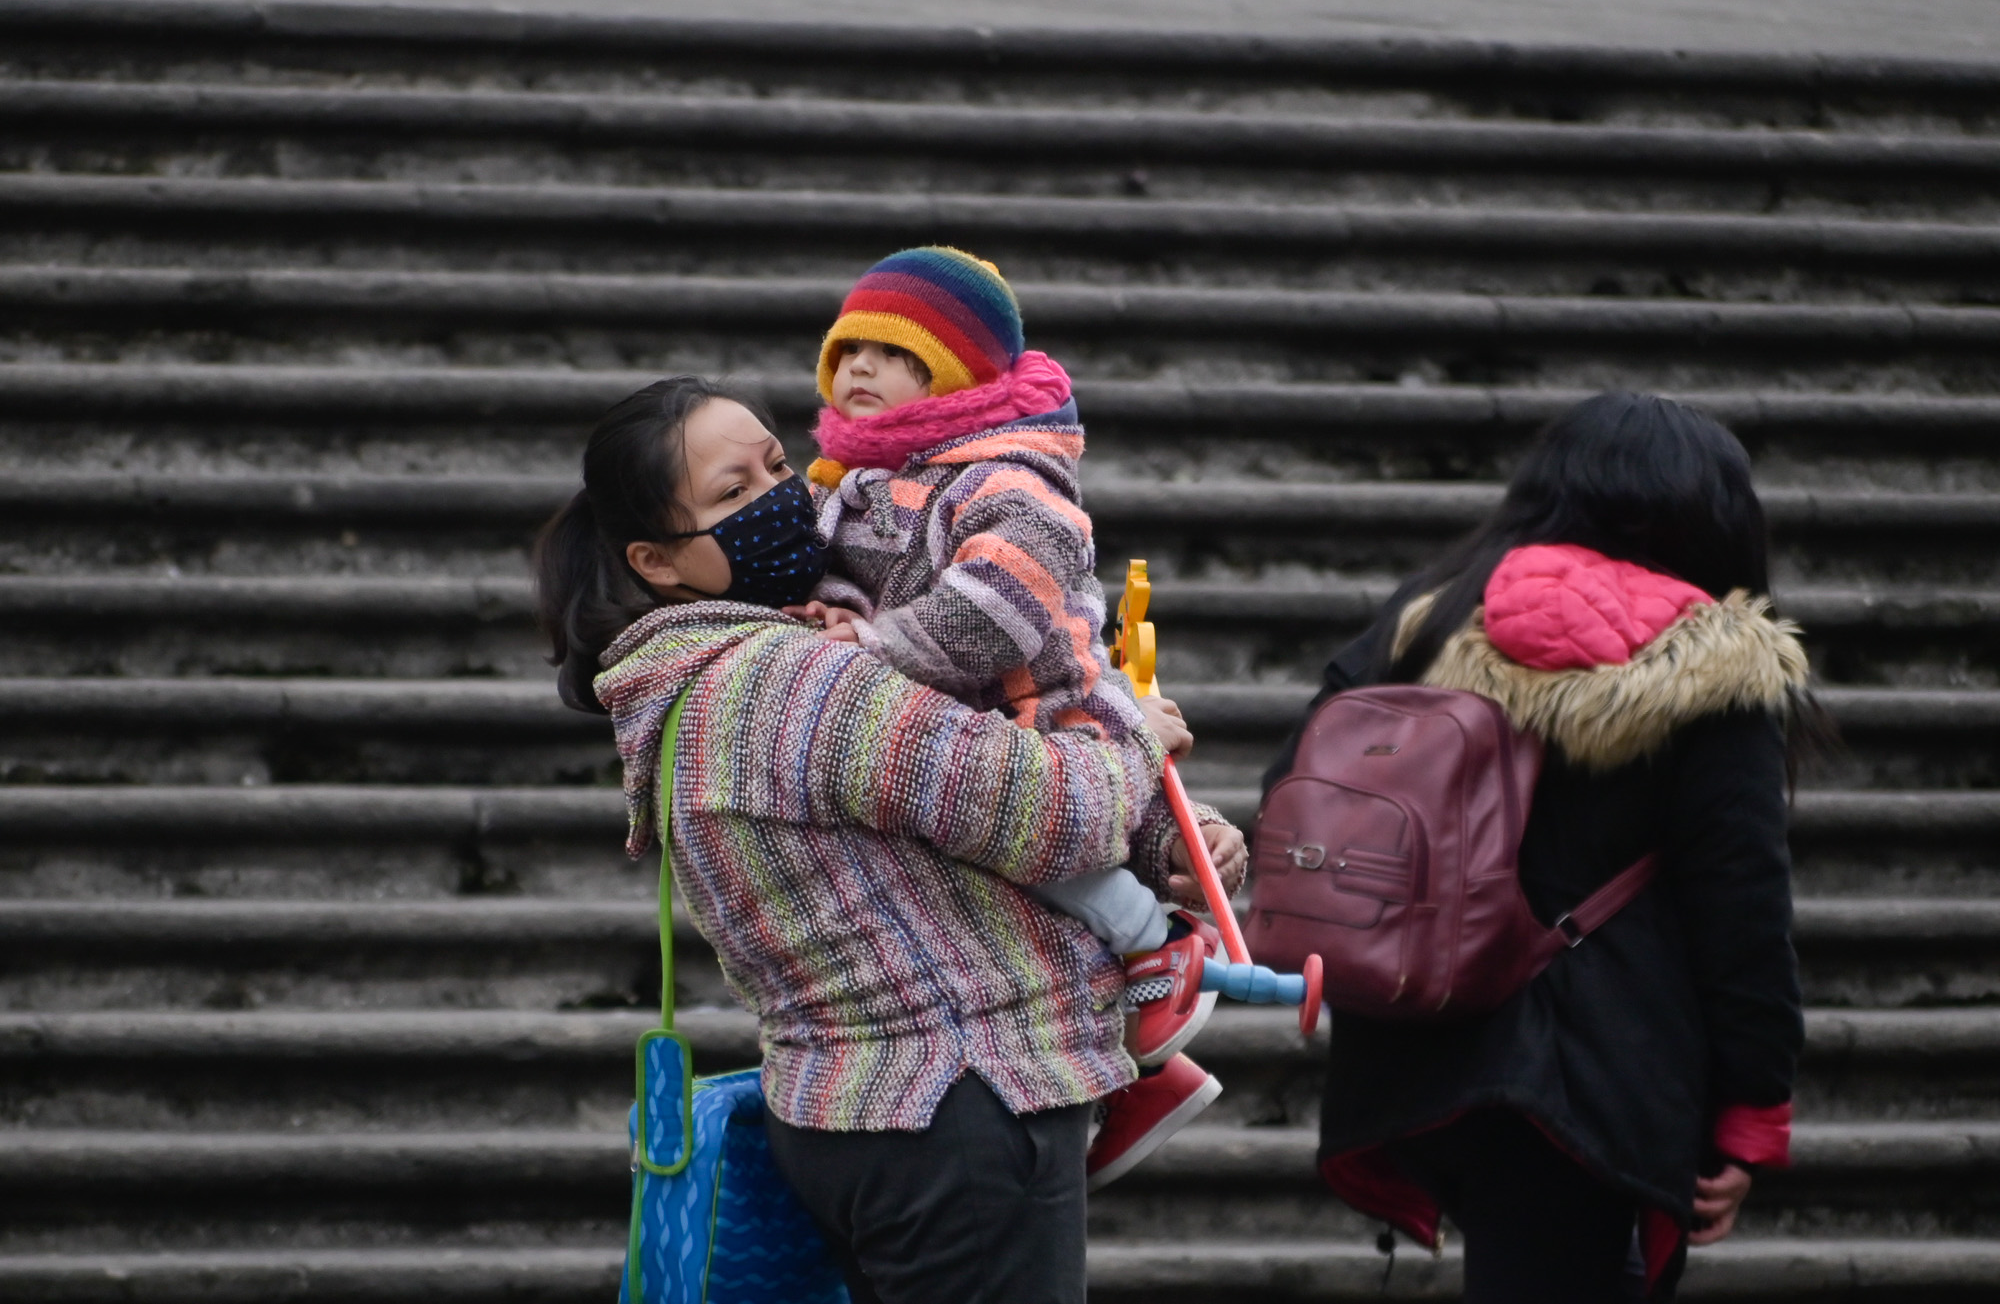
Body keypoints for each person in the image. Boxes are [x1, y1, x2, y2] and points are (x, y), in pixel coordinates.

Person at [533, 376, 1245, 1304]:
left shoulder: (689, 688)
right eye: (732, 494)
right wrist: (1135, 736)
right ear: (656, 561)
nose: (781, 496)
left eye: (778, 464)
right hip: (956, 1103)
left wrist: (1157, 848)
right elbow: (1048, 809)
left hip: (855, 1106)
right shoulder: (786, 683)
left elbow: (959, 828)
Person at [1264, 392, 1811, 1302]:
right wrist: (1754, 1106)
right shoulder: (1715, 662)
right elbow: (1741, 899)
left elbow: (1294, 789)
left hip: (1420, 1049)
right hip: (1596, 1072)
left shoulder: (1429, 620)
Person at [791, 246, 1234, 1186]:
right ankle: (1130, 1080)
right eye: (847, 350)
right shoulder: (842, 480)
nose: (858, 370)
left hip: (1035, 705)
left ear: (954, 366)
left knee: (1043, 845)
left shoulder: (1007, 475)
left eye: (890, 351)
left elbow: (1000, 605)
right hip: (944, 728)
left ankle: (1158, 944)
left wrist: (863, 653)